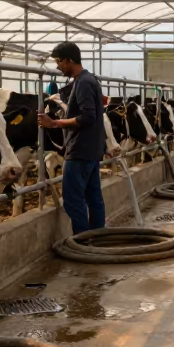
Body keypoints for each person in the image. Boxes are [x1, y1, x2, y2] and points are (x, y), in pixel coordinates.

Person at [38, 42, 105, 233]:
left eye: (59, 62)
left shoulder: (83, 82)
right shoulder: (87, 79)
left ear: (69, 60)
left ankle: (81, 242)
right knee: (93, 197)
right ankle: (97, 236)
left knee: (73, 199)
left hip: (79, 149)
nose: (58, 66)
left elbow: (87, 117)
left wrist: (55, 123)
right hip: (92, 148)